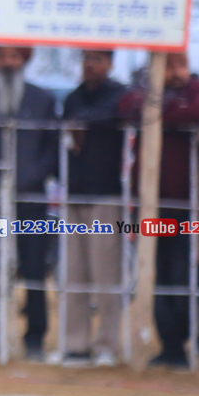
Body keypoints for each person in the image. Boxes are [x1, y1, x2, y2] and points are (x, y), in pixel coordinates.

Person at [0, 46, 58, 361]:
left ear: (24, 60)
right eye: (2, 57)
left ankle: (35, 339)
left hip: (31, 200)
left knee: (34, 271)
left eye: (14, 57)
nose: (7, 63)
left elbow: (51, 149)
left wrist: (29, 178)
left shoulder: (42, 100)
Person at [119, 52, 199, 368]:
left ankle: (185, 336)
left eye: (179, 65)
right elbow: (128, 107)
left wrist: (158, 109)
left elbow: (198, 110)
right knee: (154, 273)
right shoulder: (141, 91)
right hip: (150, 205)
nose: (175, 72)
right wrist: (160, 105)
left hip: (189, 204)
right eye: (168, 67)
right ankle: (169, 344)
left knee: (184, 273)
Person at [60, 50, 126, 367]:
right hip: (74, 195)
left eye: (98, 58)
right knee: (74, 275)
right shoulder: (73, 98)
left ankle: (107, 344)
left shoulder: (119, 96)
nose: (90, 64)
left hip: (106, 196)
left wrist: (82, 122)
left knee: (106, 275)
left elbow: (111, 115)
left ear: (110, 63)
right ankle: (76, 344)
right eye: (87, 58)